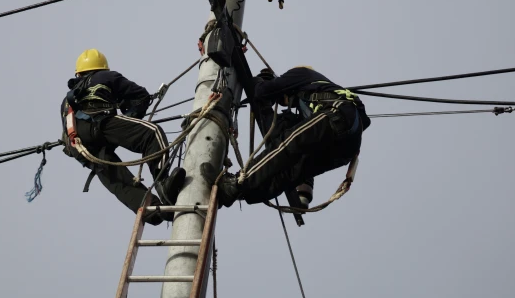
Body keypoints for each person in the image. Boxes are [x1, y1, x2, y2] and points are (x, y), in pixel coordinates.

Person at [202, 65, 371, 208]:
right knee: (290, 172)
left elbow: (261, 92)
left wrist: (263, 82)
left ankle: (237, 182)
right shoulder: (309, 105)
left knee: (286, 145)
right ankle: (240, 192)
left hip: (338, 114)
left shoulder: (302, 74)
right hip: (346, 147)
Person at [61, 49, 185, 225]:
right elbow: (140, 96)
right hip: (100, 123)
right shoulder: (107, 77)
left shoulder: (66, 102)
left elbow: (65, 137)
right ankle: (163, 185)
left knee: (117, 179)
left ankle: (154, 212)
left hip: (77, 145)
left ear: (78, 73)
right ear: (102, 68)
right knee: (151, 134)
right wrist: (131, 117)